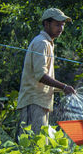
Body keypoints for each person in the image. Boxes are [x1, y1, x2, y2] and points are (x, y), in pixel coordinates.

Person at [16, 8, 76, 140]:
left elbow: (42, 79)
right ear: (46, 24)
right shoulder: (41, 43)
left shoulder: (48, 44)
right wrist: (64, 87)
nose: (60, 28)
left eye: (62, 25)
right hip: (34, 102)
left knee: (39, 146)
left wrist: (63, 90)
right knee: (33, 146)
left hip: (40, 103)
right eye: (57, 24)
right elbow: (41, 76)